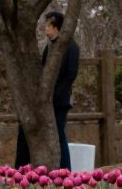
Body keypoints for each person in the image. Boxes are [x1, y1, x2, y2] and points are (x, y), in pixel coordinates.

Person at [15, 11, 81, 170]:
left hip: (60, 101)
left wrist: (55, 96)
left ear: (56, 27)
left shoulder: (71, 47)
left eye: (48, 26)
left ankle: (65, 170)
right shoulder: (49, 47)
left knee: (58, 134)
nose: (45, 29)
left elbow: (70, 75)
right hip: (45, 100)